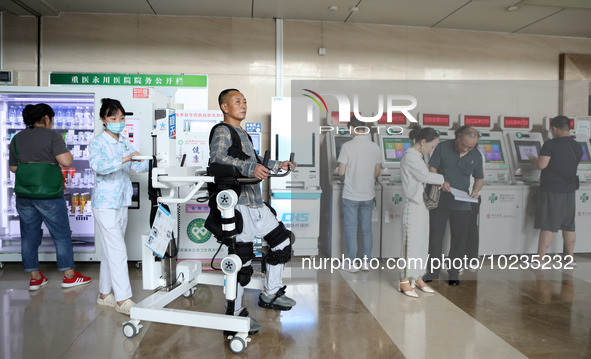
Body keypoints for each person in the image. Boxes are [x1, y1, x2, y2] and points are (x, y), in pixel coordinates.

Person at [209, 89, 297, 332]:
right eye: (238, 101)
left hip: (256, 203)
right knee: (242, 259)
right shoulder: (222, 131)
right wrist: (249, 167)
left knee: (282, 243)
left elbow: (257, 161)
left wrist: (279, 164)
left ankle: (270, 293)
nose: (243, 105)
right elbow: (217, 159)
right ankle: (234, 312)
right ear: (225, 107)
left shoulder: (242, 133)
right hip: (239, 205)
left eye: (245, 101)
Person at [8, 103, 92, 290]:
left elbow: (14, 168)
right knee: (61, 235)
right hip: (49, 194)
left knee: (28, 236)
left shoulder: (16, 138)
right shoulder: (52, 136)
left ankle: (35, 278)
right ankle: (69, 276)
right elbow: (66, 161)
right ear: (46, 118)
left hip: (24, 195)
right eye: (51, 119)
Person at [89, 98, 148, 315]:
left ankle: (105, 294)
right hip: (104, 204)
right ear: (104, 120)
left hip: (122, 201)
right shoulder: (98, 143)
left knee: (109, 250)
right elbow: (99, 167)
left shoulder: (123, 141)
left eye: (122, 118)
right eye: (113, 118)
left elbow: (138, 165)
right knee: (118, 251)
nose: (118, 121)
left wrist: (148, 159)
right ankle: (123, 299)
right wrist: (125, 159)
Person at [425, 126, 484, 286]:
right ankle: (432, 271)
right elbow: (432, 168)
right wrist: (440, 181)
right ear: (458, 137)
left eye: (470, 147)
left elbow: (479, 178)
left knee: (459, 240)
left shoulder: (476, 155)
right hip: (440, 200)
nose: (466, 149)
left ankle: (453, 273)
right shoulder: (443, 147)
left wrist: (475, 191)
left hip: (463, 203)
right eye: (464, 145)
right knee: (436, 237)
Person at [398, 126, 444, 297]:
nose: (432, 150)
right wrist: (443, 179)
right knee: (409, 243)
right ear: (423, 142)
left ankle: (417, 276)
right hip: (412, 204)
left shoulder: (418, 156)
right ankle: (403, 279)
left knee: (421, 242)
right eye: (432, 146)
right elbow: (425, 176)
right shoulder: (411, 156)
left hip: (421, 204)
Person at [529, 115, 582, 265]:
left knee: (548, 225)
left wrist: (532, 159)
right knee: (569, 225)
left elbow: (541, 165)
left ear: (554, 128)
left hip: (553, 189)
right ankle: (570, 258)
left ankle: (540, 259)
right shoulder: (577, 146)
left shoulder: (550, 145)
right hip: (570, 190)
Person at [337, 115, 381, 272]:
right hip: (368, 194)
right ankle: (366, 262)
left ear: (352, 128)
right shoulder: (375, 147)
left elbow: (341, 171)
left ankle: (350, 263)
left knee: (350, 229)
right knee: (366, 229)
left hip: (350, 194)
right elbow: (376, 173)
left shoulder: (347, 146)